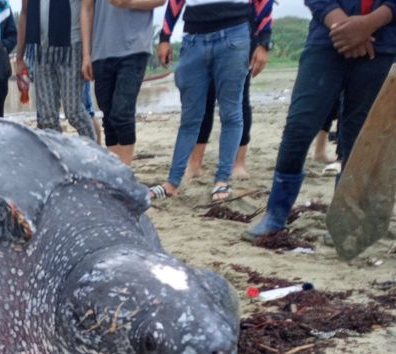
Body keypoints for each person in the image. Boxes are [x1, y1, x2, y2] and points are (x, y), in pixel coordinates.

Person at [243, 0, 394, 240]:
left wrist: (368, 24)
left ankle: (344, 219)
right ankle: (275, 214)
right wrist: (343, 26)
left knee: (360, 136)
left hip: (381, 43)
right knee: (299, 126)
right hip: (326, 39)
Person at [149, 0, 273, 202]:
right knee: (190, 117)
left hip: (235, 33)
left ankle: (222, 179)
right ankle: (172, 182)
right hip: (193, 38)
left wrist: (264, 41)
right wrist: (165, 36)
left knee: (231, 112)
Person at [81, 0, 165, 165]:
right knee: (109, 116)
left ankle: (125, 172)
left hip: (134, 47)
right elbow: (86, 8)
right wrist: (86, 54)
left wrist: (128, 3)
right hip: (101, 50)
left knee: (122, 113)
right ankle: (116, 171)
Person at [15, 0, 96, 139]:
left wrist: (87, 54)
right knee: (47, 119)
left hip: (72, 48)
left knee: (75, 112)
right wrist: (19, 58)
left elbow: (88, 9)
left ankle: (95, 154)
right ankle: (56, 157)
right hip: (41, 51)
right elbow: (24, 12)